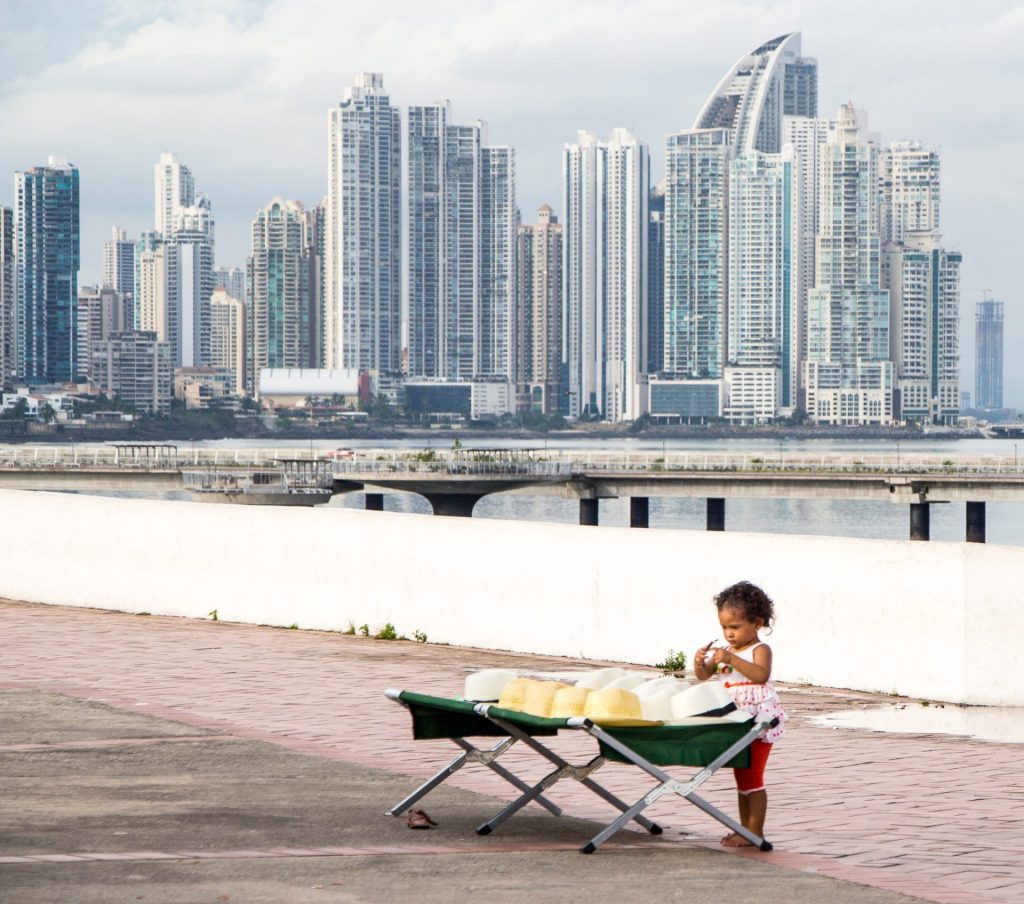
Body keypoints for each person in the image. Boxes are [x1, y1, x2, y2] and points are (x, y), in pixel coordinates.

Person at [693, 580, 786, 847]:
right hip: (735, 720)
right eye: (724, 627)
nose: (729, 634)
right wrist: (700, 662)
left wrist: (732, 659)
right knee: (741, 775)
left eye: (735, 627)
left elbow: (761, 675)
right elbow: (704, 676)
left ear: (757, 623)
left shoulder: (759, 650)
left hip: (757, 721)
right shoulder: (727, 652)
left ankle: (755, 831)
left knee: (753, 775)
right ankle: (745, 829)